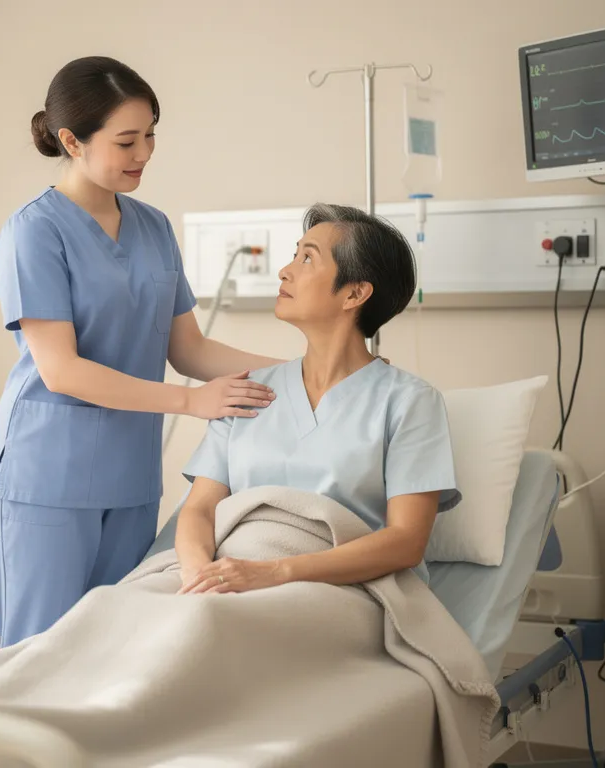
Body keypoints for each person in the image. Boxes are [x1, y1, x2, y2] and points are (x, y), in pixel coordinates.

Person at [0, 56, 284, 647]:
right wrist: (191, 403)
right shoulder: (34, 231)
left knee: (116, 654)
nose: (143, 153)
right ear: (72, 141)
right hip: (47, 475)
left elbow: (189, 348)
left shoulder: (154, 227)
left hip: (130, 477)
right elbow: (61, 370)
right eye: (126, 141)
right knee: (39, 658)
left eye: (150, 135)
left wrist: (304, 370)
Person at [175, 203, 460, 594]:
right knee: (122, 611)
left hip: (338, 588)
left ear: (354, 293)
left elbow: (406, 541)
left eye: (307, 258)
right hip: (224, 575)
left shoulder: (409, 402)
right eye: (294, 255)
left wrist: (274, 573)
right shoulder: (247, 390)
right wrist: (198, 577)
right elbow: (199, 509)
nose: (285, 270)